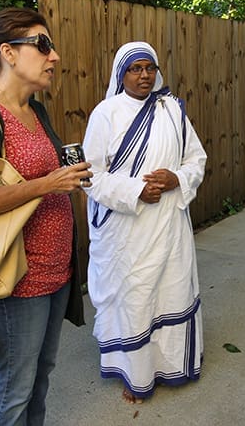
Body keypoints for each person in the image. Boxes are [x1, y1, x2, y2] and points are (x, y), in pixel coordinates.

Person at [0, 7, 92, 425]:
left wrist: (68, 177)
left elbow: (44, 175)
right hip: (18, 281)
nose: (55, 56)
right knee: (15, 389)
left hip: (56, 275)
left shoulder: (36, 110)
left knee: (40, 379)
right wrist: (47, 184)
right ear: (8, 53)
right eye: (43, 45)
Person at [81, 41, 207, 404]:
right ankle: (134, 374)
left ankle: (171, 365)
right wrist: (136, 190)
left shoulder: (173, 111)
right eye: (135, 69)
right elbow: (91, 176)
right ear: (122, 74)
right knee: (135, 298)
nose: (144, 75)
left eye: (149, 68)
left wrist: (177, 180)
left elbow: (196, 159)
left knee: (171, 290)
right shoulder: (106, 113)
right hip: (126, 233)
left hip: (169, 225)